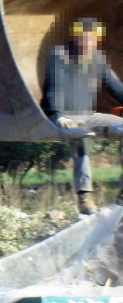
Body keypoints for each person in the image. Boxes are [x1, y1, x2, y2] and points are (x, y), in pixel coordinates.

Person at [40, 17, 123, 215]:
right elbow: (53, 89)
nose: (87, 43)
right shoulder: (60, 56)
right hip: (66, 116)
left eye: (92, 39)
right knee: (81, 138)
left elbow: (117, 89)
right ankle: (85, 197)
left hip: (88, 114)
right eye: (83, 39)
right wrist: (58, 115)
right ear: (75, 38)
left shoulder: (98, 60)